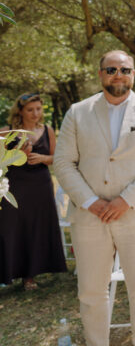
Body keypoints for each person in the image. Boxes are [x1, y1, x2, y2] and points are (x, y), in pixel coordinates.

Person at [53, 51, 135, 346]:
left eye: (125, 69)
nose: (118, 74)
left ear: (133, 74)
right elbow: (64, 162)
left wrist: (125, 200)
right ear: (100, 73)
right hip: (89, 217)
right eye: (111, 69)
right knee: (91, 291)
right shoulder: (77, 112)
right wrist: (91, 201)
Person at [0, 93, 67, 290]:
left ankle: (30, 276)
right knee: (10, 229)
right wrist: (17, 156)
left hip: (41, 185)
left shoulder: (47, 130)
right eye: (30, 110)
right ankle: (8, 274)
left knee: (36, 228)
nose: (35, 113)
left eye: (38, 109)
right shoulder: (7, 132)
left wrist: (43, 159)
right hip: (15, 186)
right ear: (19, 111)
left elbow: (57, 157)